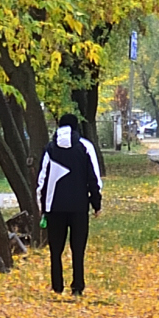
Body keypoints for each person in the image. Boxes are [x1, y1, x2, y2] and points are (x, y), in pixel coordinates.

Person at [35, 110, 103, 297]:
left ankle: (57, 285)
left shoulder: (49, 148)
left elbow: (42, 180)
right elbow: (93, 178)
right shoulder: (85, 147)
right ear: (75, 127)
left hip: (54, 207)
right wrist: (96, 204)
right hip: (79, 207)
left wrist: (43, 208)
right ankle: (78, 286)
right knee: (78, 248)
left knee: (55, 249)